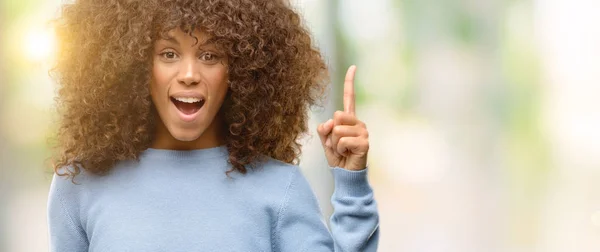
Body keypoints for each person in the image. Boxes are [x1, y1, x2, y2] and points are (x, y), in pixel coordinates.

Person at [47, 0, 379, 251]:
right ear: (134, 66)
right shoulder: (80, 186)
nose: (189, 75)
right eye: (168, 53)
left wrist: (352, 187)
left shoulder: (279, 188)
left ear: (242, 71)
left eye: (210, 56)